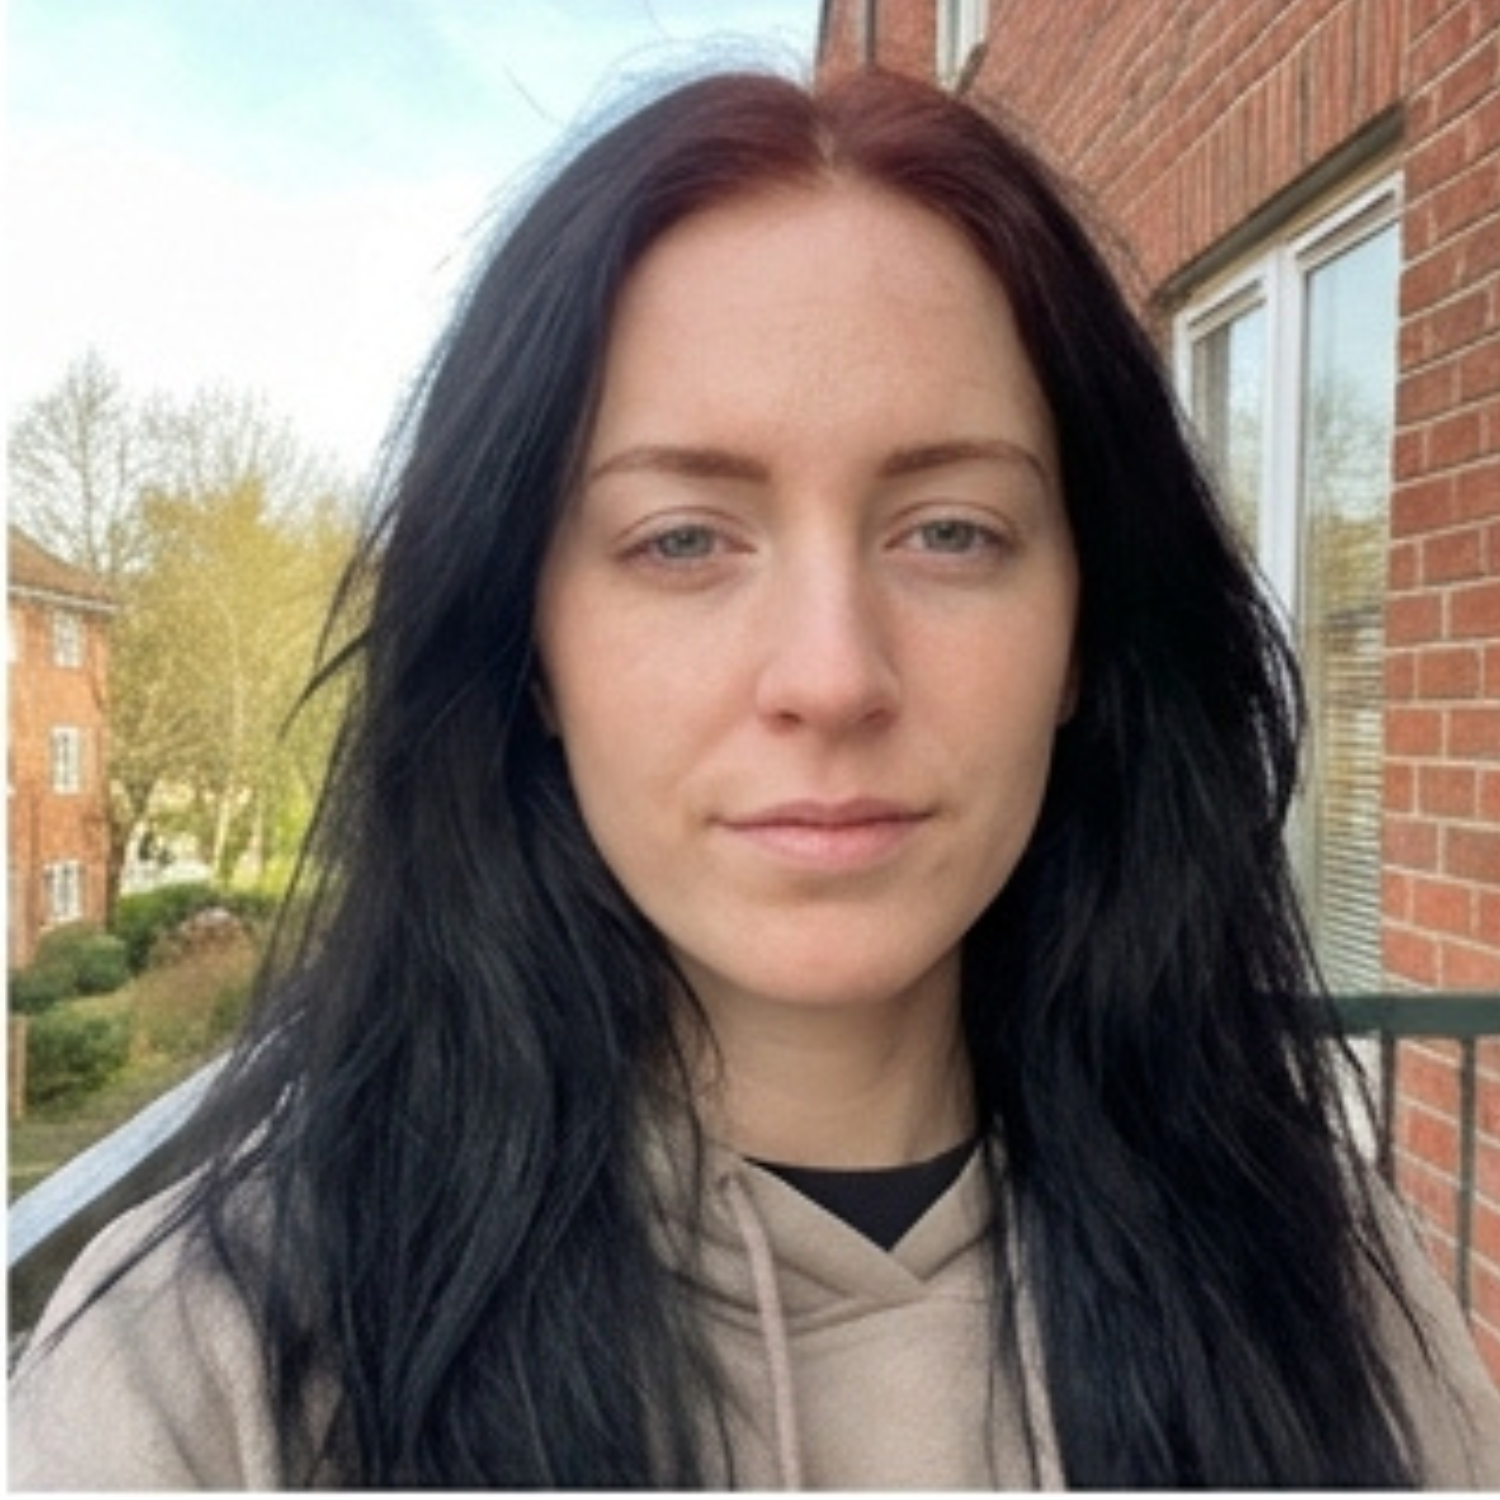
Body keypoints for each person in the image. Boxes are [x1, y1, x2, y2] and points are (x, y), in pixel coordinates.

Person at [10, 67, 1500, 1490]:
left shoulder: (1328, 1298)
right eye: (681, 540)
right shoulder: (202, 1391)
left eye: (952, 531)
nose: (832, 677)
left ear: (1082, 637)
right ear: (533, 649)